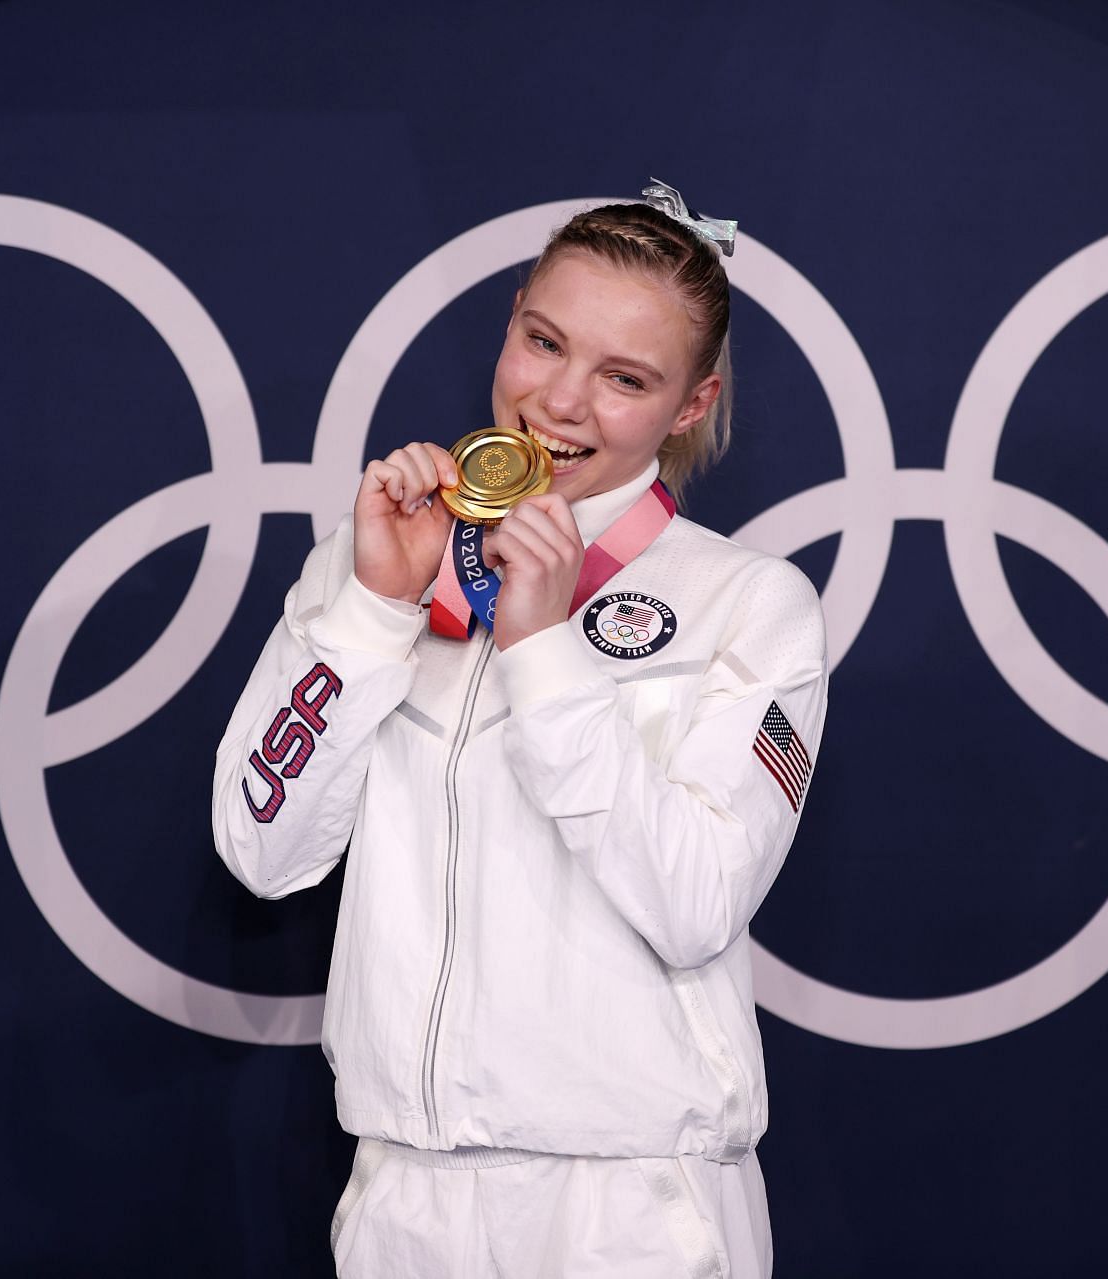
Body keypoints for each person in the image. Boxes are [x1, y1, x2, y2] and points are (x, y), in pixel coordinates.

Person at [212, 180, 827, 1278]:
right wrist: (368, 614)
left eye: (625, 378)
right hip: (406, 1188)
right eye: (544, 341)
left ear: (692, 405)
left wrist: (546, 654)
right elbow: (260, 848)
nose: (561, 402)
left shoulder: (750, 602)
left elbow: (695, 902)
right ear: (511, 322)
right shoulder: (374, 558)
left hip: (633, 1197)